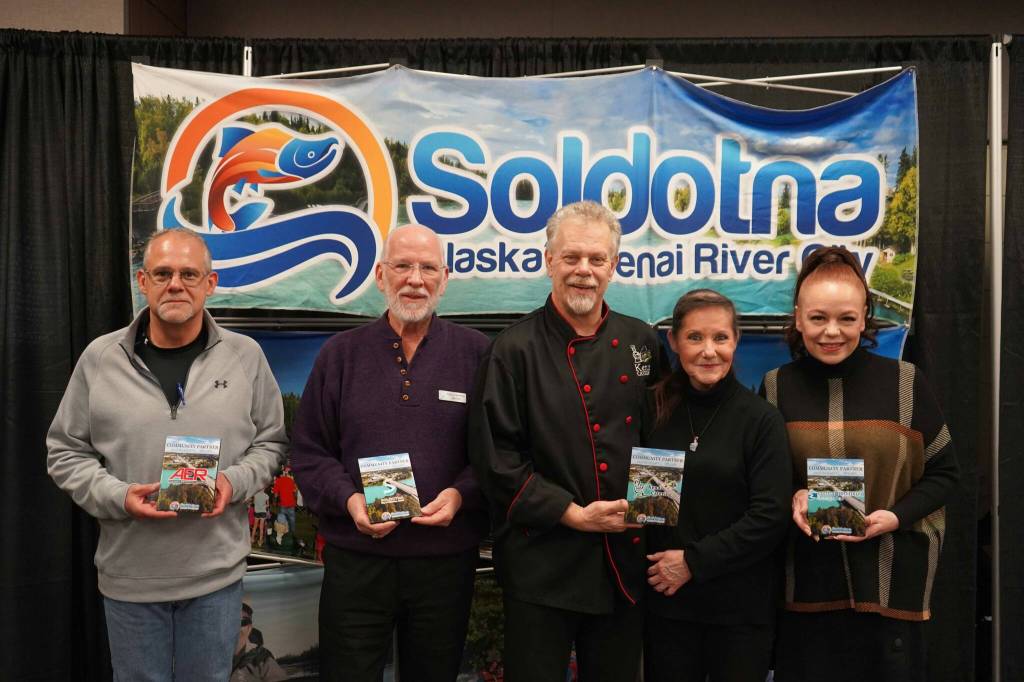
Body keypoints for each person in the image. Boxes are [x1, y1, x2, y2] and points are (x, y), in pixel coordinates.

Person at [46, 227, 288, 681]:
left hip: (216, 579)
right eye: (162, 273)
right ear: (143, 282)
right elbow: (64, 452)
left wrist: (232, 483)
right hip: (130, 577)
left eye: (189, 274)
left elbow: (272, 443)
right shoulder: (100, 359)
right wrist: (117, 496)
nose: (175, 284)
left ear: (210, 283)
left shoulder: (246, 357)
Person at [469, 200, 667, 682]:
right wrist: (571, 513)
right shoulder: (512, 350)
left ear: (614, 266)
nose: (584, 271)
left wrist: (650, 506)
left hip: (624, 563)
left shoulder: (642, 344)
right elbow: (495, 458)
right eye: (571, 257)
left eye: (597, 259)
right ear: (548, 261)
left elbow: (661, 439)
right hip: (543, 566)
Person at [291, 224, 490, 682]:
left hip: (445, 562)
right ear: (381, 275)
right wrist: (349, 500)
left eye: (427, 267)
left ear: (445, 277)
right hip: (357, 562)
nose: (414, 279)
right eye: (402, 266)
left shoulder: (479, 353)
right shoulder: (340, 355)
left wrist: (461, 495)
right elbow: (309, 451)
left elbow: (496, 452)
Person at [761, 246, 959, 682]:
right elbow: (767, 480)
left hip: (894, 584)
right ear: (797, 318)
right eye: (818, 318)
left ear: (865, 317)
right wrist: (794, 493)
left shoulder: (906, 382)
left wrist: (894, 517)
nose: (832, 331)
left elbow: (945, 473)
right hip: (808, 586)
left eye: (847, 318)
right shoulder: (776, 387)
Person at [642, 289, 791, 682]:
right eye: (695, 338)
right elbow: (649, 510)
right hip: (667, 609)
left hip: (740, 613)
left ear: (736, 341)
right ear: (673, 342)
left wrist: (693, 561)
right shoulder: (651, 411)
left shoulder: (761, 420)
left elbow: (770, 516)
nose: (709, 351)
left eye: (720, 338)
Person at [231, 602, 288, 682]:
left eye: (242, 622)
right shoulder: (210, 657)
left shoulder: (263, 659)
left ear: (249, 628)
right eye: (231, 622)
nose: (236, 627)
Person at [272, 467, 298, 535]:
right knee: (292, 519)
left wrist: (274, 501)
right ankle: (292, 533)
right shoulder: (291, 480)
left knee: (282, 520)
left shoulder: (278, 481)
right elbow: (295, 491)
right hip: (291, 503)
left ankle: (283, 533)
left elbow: (275, 495)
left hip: (283, 504)